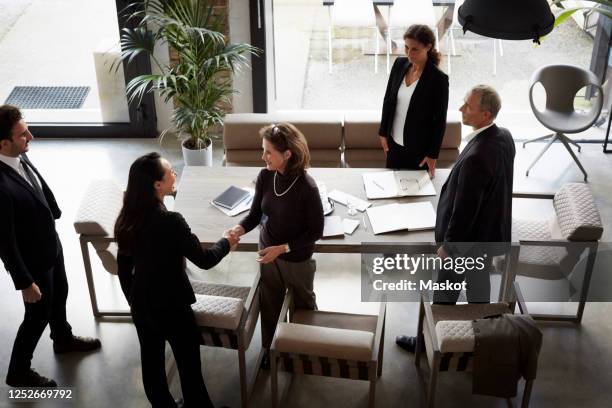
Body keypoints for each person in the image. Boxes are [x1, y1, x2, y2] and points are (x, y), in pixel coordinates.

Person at [396, 85, 515, 352]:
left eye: (468, 106)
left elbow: (465, 210)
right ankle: (482, 345)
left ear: (485, 114)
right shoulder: (503, 137)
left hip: (465, 243)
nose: (461, 108)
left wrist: (448, 247)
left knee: (444, 295)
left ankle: (428, 343)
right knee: (478, 290)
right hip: (489, 235)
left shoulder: (477, 157)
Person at [115, 153, 239, 408]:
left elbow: (124, 269)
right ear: (156, 185)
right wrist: (227, 242)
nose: (174, 174)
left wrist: (135, 302)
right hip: (172, 308)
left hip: (142, 305)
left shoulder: (126, 218)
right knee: (189, 368)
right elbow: (205, 260)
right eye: (170, 171)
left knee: (153, 369)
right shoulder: (171, 221)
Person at [0, 105, 101, 388]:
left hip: (49, 244)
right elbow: (5, 243)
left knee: (61, 294)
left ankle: (63, 338)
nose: (30, 136)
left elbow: (35, 186)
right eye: (22, 134)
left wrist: (52, 211)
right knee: (37, 315)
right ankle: (18, 372)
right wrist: (24, 282)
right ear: (2, 143)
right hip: (32, 262)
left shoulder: (16, 155)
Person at [229, 123, 324, 369]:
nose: (263, 157)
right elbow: (254, 215)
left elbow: (316, 232)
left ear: (288, 154)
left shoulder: (308, 188)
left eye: (268, 152)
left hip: (296, 258)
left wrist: (282, 249)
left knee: (303, 305)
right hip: (267, 252)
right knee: (269, 303)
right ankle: (270, 352)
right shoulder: (265, 176)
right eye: (263, 151)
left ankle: (302, 350)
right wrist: (239, 229)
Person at [379, 24, 449, 177]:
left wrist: (433, 154)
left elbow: (440, 121)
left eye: (414, 49)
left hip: (419, 150)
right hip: (393, 146)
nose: (409, 53)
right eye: (406, 47)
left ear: (428, 47)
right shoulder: (399, 65)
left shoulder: (438, 79)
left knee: (415, 198)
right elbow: (388, 100)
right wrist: (383, 133)